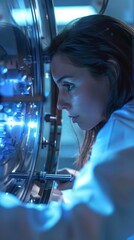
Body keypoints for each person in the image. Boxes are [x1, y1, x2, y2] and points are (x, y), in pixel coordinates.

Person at [1, 14, 134, 240]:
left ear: (111, 72)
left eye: (69, 86)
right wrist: (86, 183)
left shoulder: (123, 126)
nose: (60, 104)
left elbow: (83, 231)